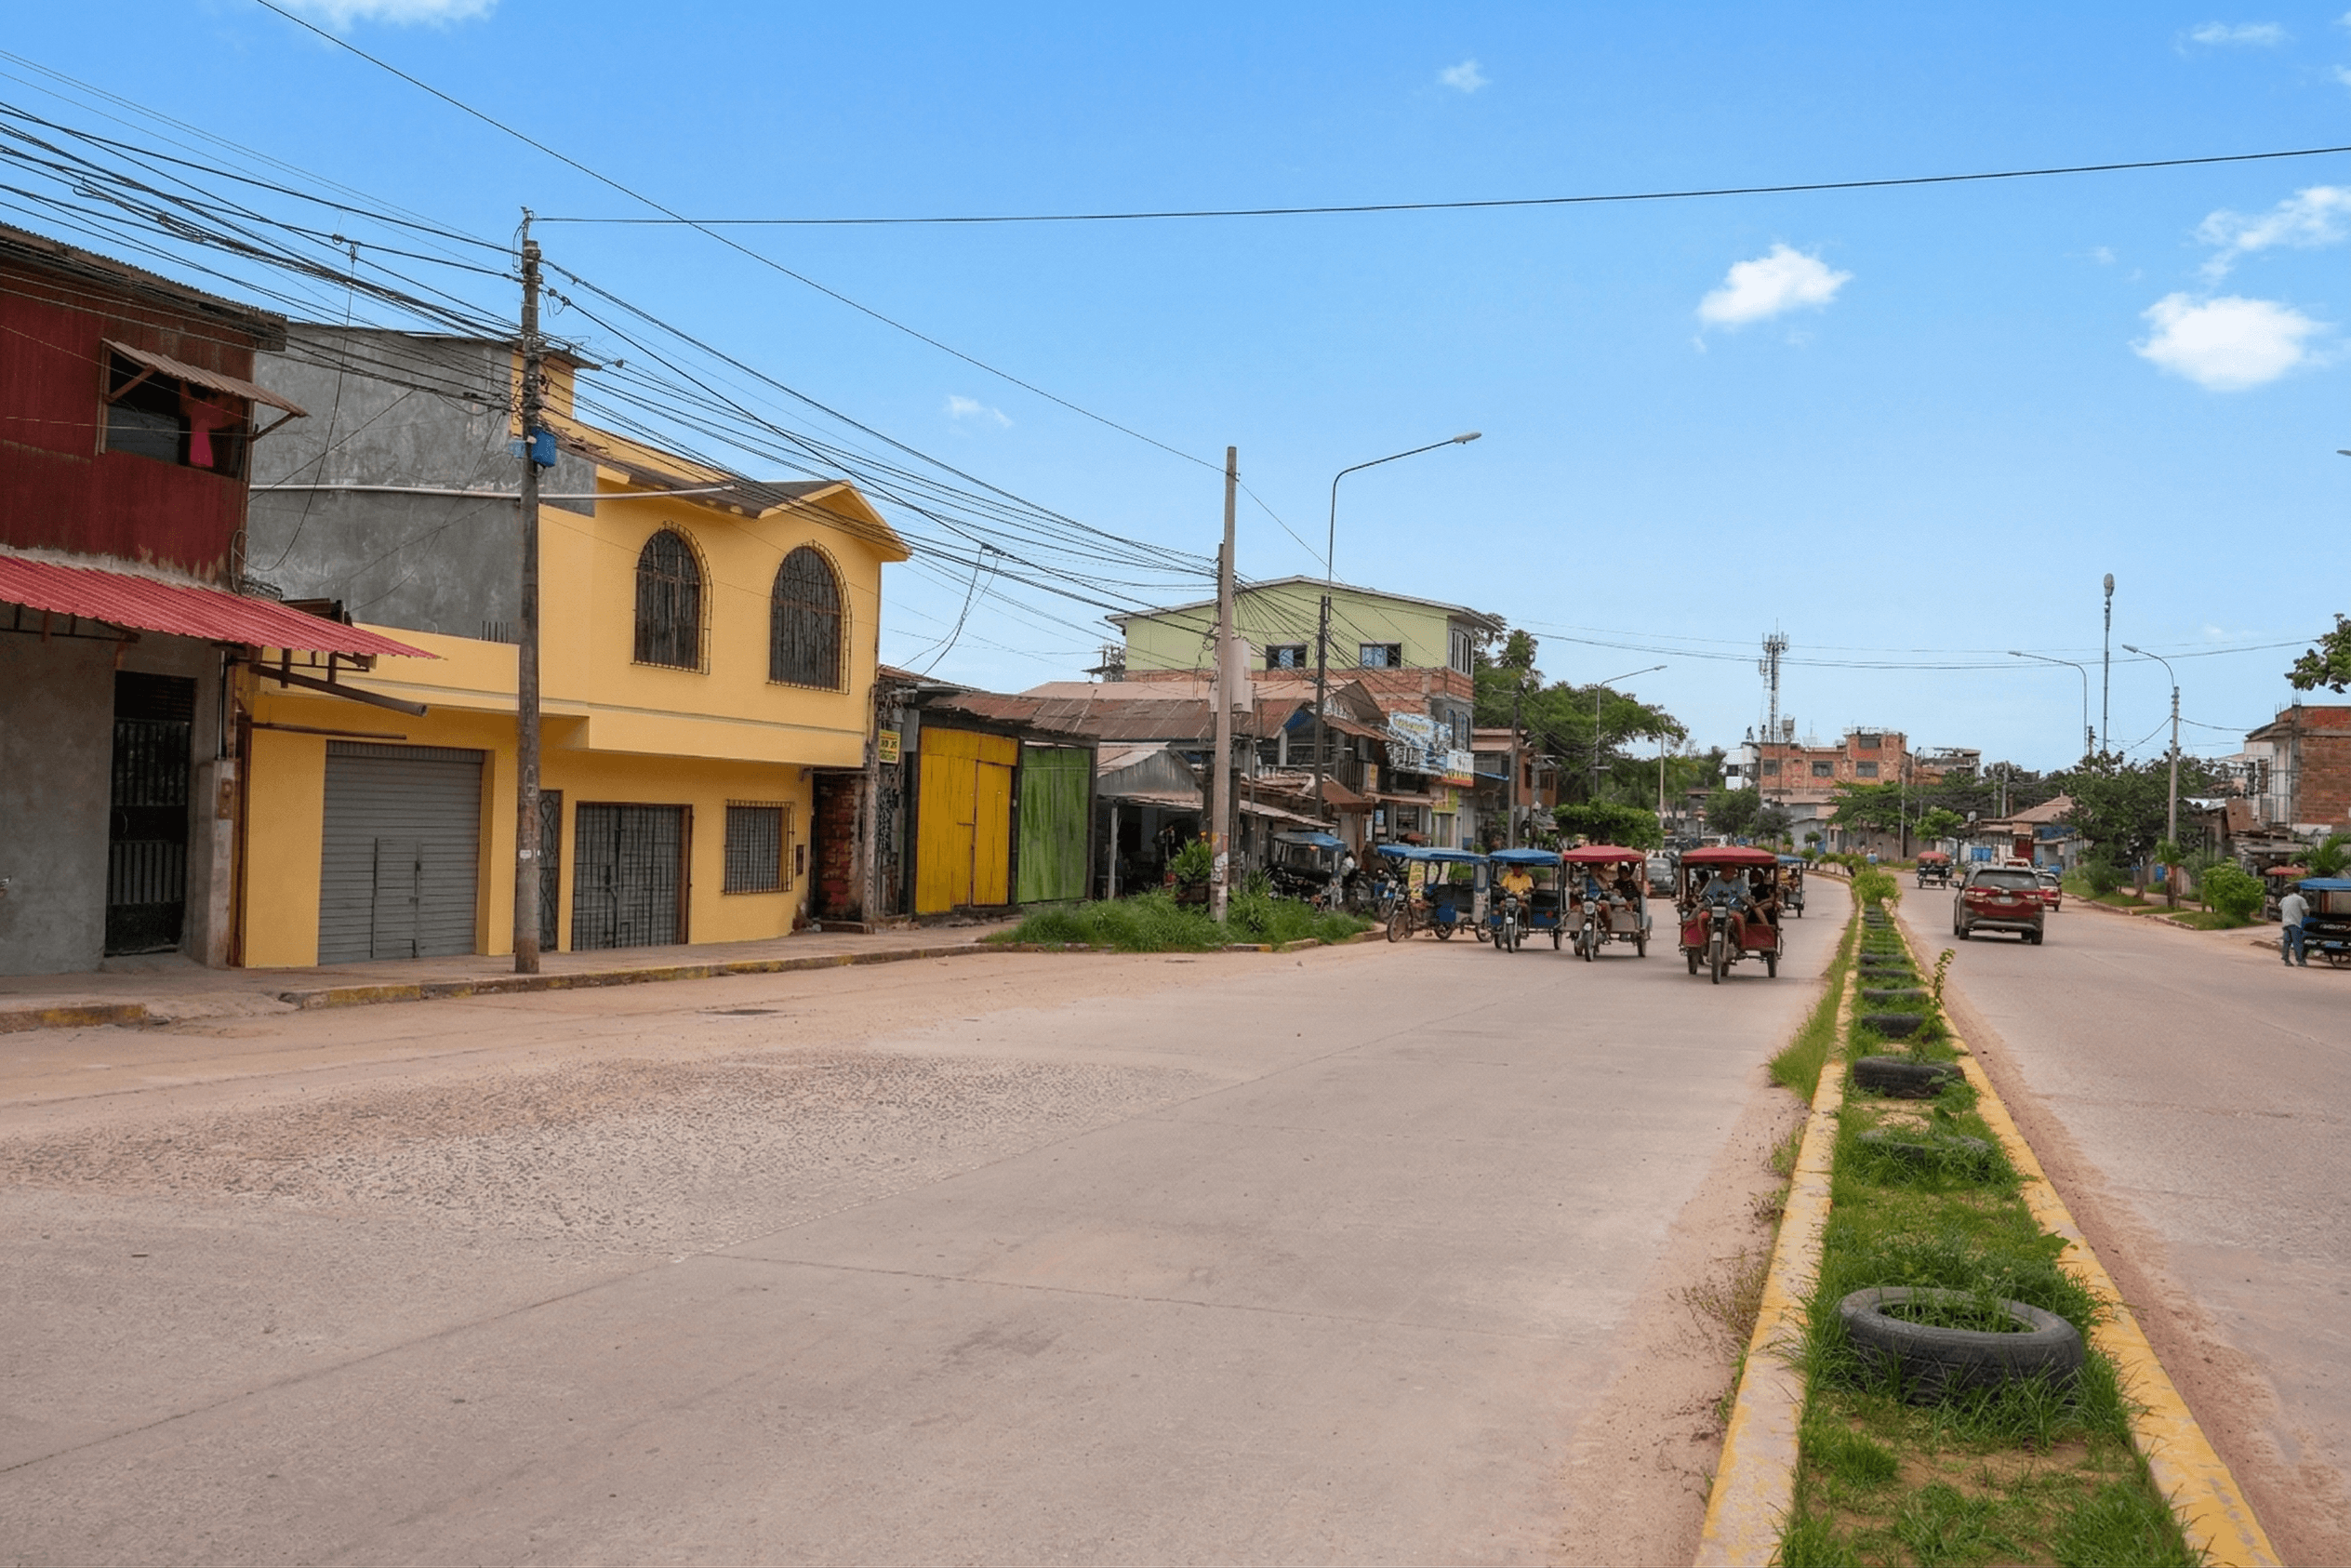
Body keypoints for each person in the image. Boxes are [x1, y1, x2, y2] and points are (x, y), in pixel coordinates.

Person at [2279, 884, 2311, 967]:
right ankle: (2300, 961)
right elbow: (2307, 911)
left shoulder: (2284, 899)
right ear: (2299, 891)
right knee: (2297, 943)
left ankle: (2286, 960)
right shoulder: (2300, 899)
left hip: (2286, 924)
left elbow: (2280, 906)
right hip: (2295, 924)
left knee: (2286, 942)